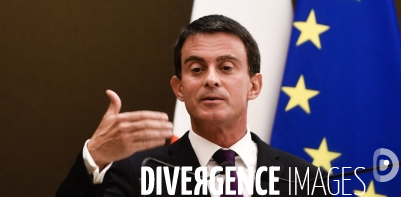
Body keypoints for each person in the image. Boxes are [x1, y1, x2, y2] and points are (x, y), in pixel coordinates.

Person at [56, 15, 327, 196]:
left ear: (253, 86)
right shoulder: (137, 175)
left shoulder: (305, 179)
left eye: (226, 67)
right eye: (197, 69)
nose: (211, 79)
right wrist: (94, 158)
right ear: (180, 88)